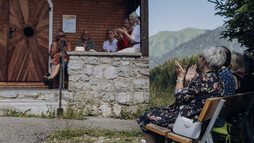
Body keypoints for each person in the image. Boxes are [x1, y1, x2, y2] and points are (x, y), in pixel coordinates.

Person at [137, 46, 226, 143]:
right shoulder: (219, 80)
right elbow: (192, 98)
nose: (200, 59)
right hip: (201, 122)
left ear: (204, 61)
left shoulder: (202, 80)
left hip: (187, 123)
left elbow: (179, 98)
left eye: (201, 57)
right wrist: (189, 81)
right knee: (158, 111)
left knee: (145, 117)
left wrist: (180, 78)